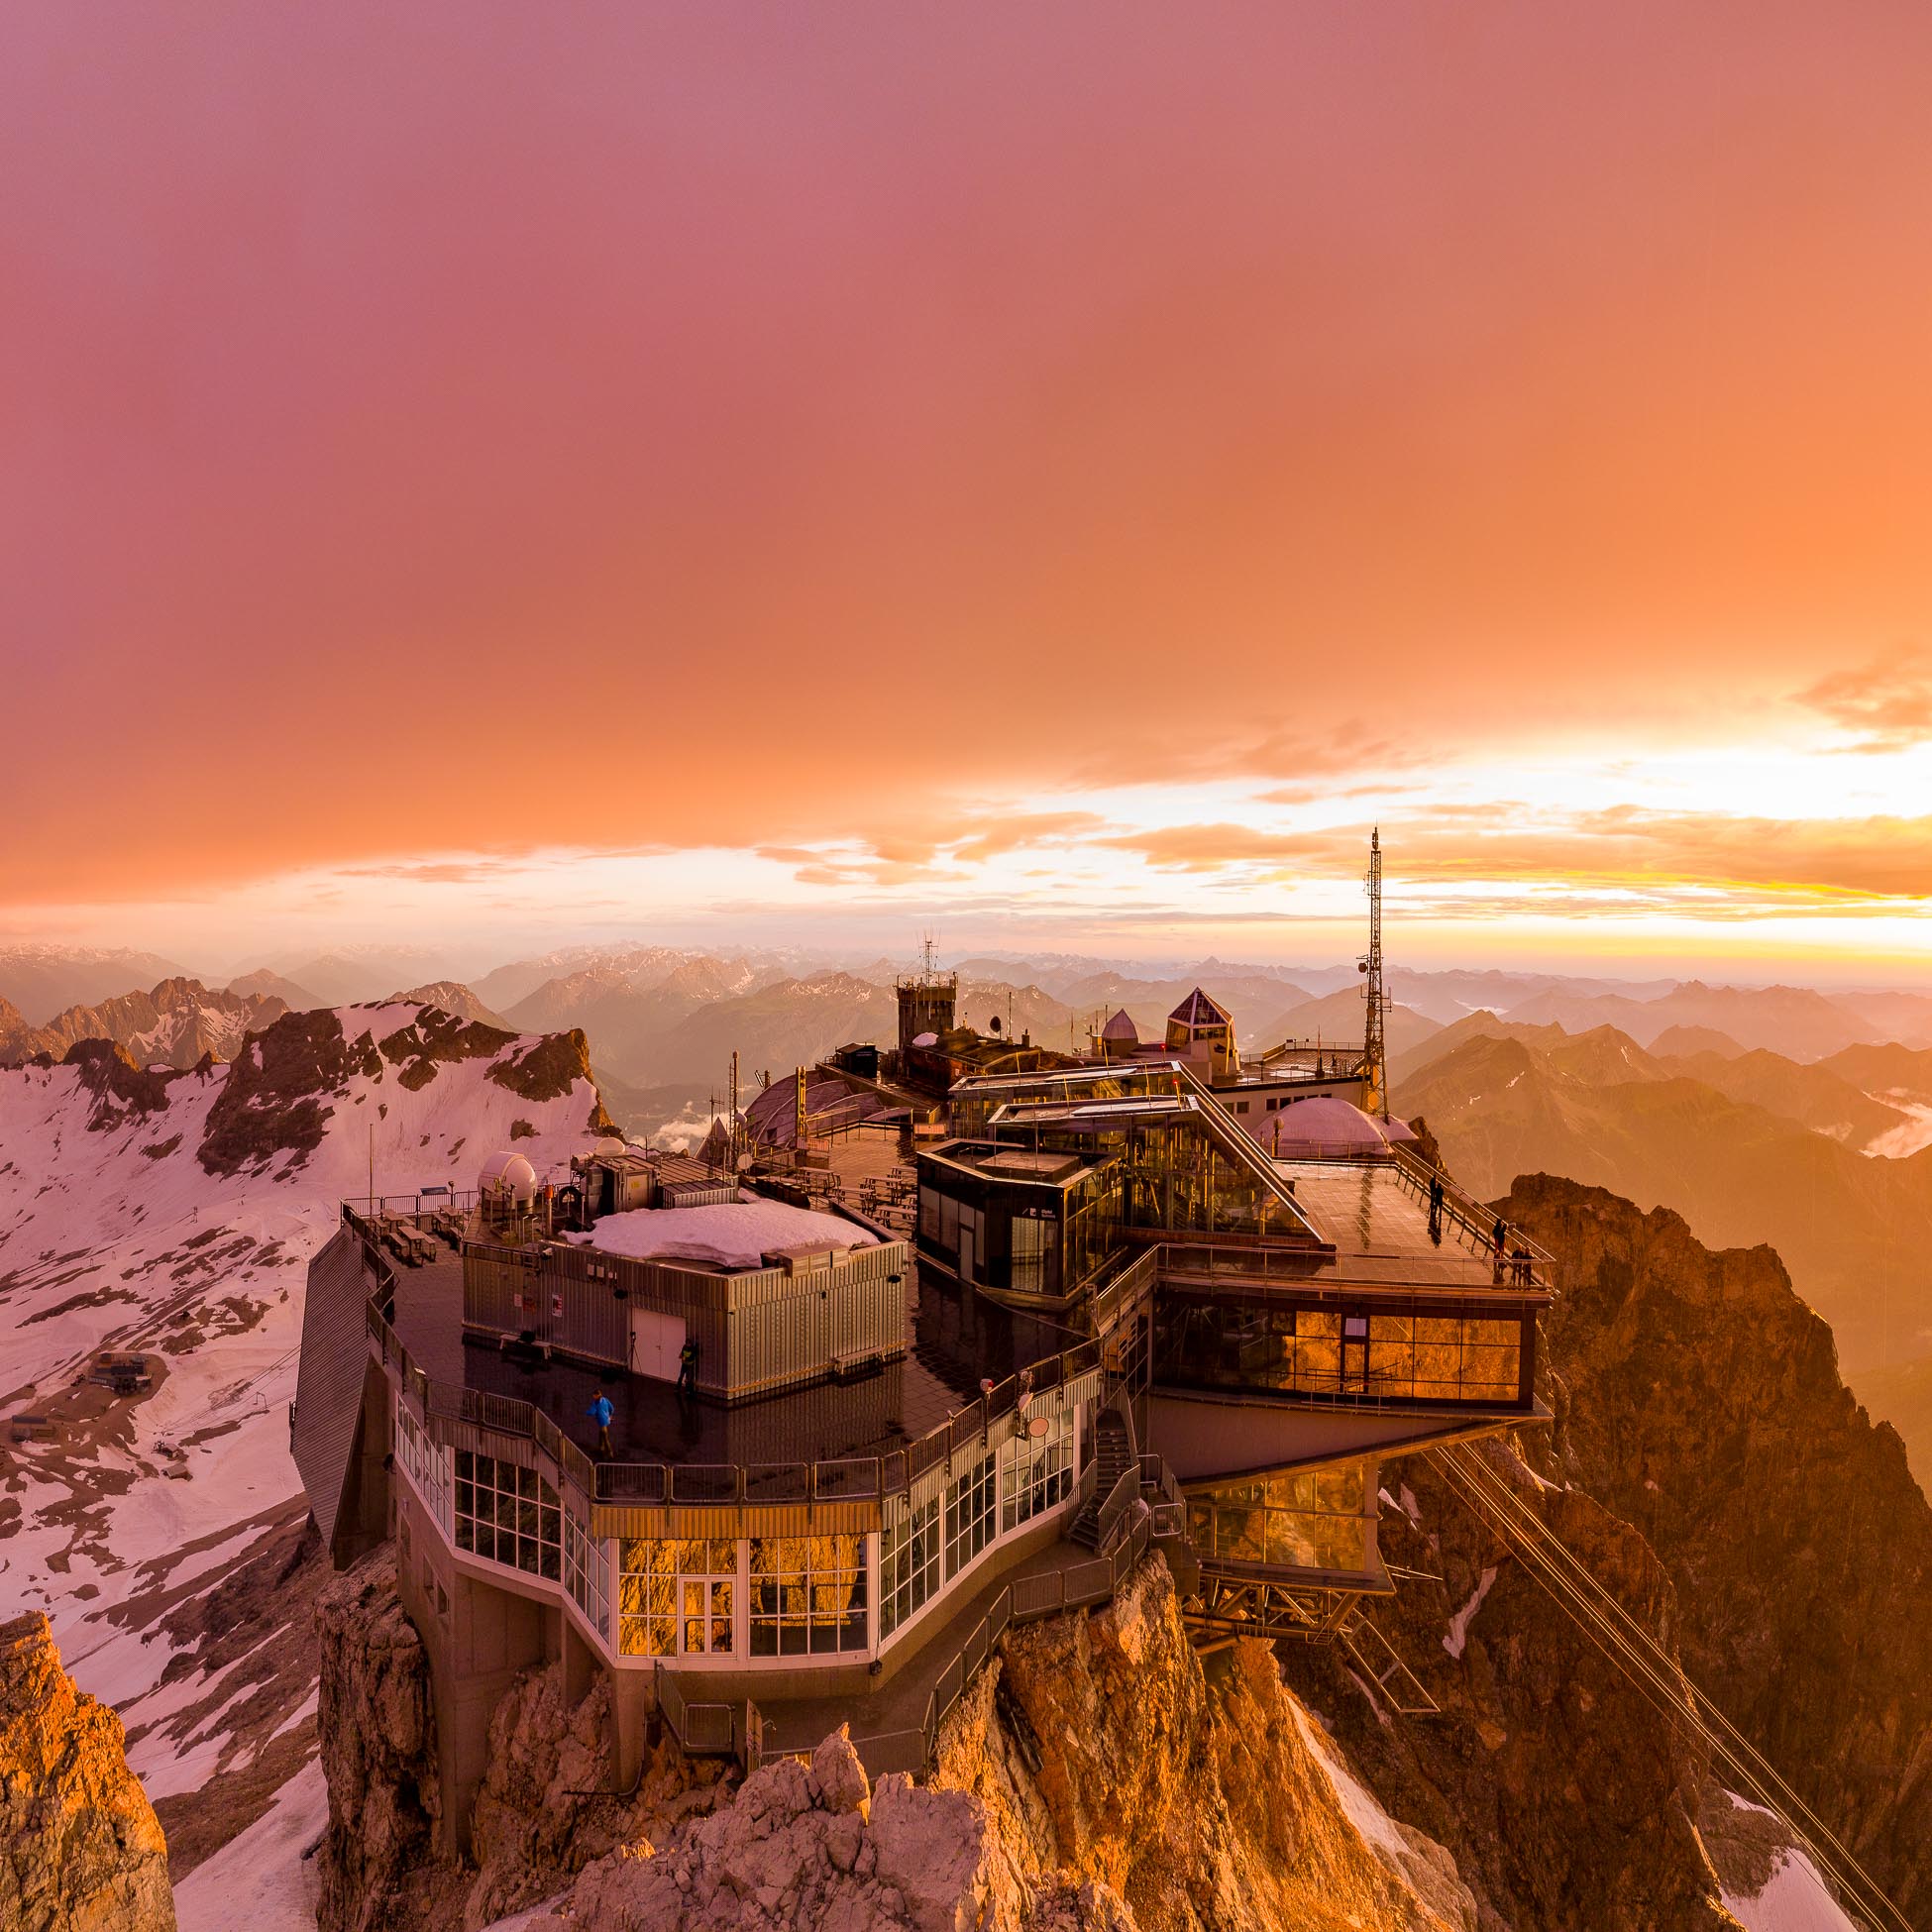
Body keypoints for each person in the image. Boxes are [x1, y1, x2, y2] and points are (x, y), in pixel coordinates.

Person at [587, 1392, 614, 1458]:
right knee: (601, 1434)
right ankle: (601, 1449)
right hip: (606, 1420)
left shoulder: (596, 1403)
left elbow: (592, 1412)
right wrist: (610, 1415)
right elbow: (612, 1408)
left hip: (602, 1421)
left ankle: (610, 1453)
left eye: (594, 1395)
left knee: (605, 1436)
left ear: (596, 1395)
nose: (593, 1397)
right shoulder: (605, 1399)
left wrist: (586, 1412)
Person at [1428, 1175, 1445, 1246]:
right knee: (1440, 1208)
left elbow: (1434, 1193)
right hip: (1440, 1200)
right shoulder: (1441, 1190)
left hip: (1437, 1200)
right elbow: (1443, 1194)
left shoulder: (1436, 1189)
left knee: (1437, 1207)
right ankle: (1440, 1215)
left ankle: (1435, 1214)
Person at [1490, 1217, 1507, 1286]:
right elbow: (1500, 1233)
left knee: (1499, 1252)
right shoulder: (1499, 1228)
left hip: (1499, 1241)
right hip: (1500, 1242)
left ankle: (1498, 1263)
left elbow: (1495, 1233)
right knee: (1500, 1252)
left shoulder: (1497, 1227)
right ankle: (1500, 1263)